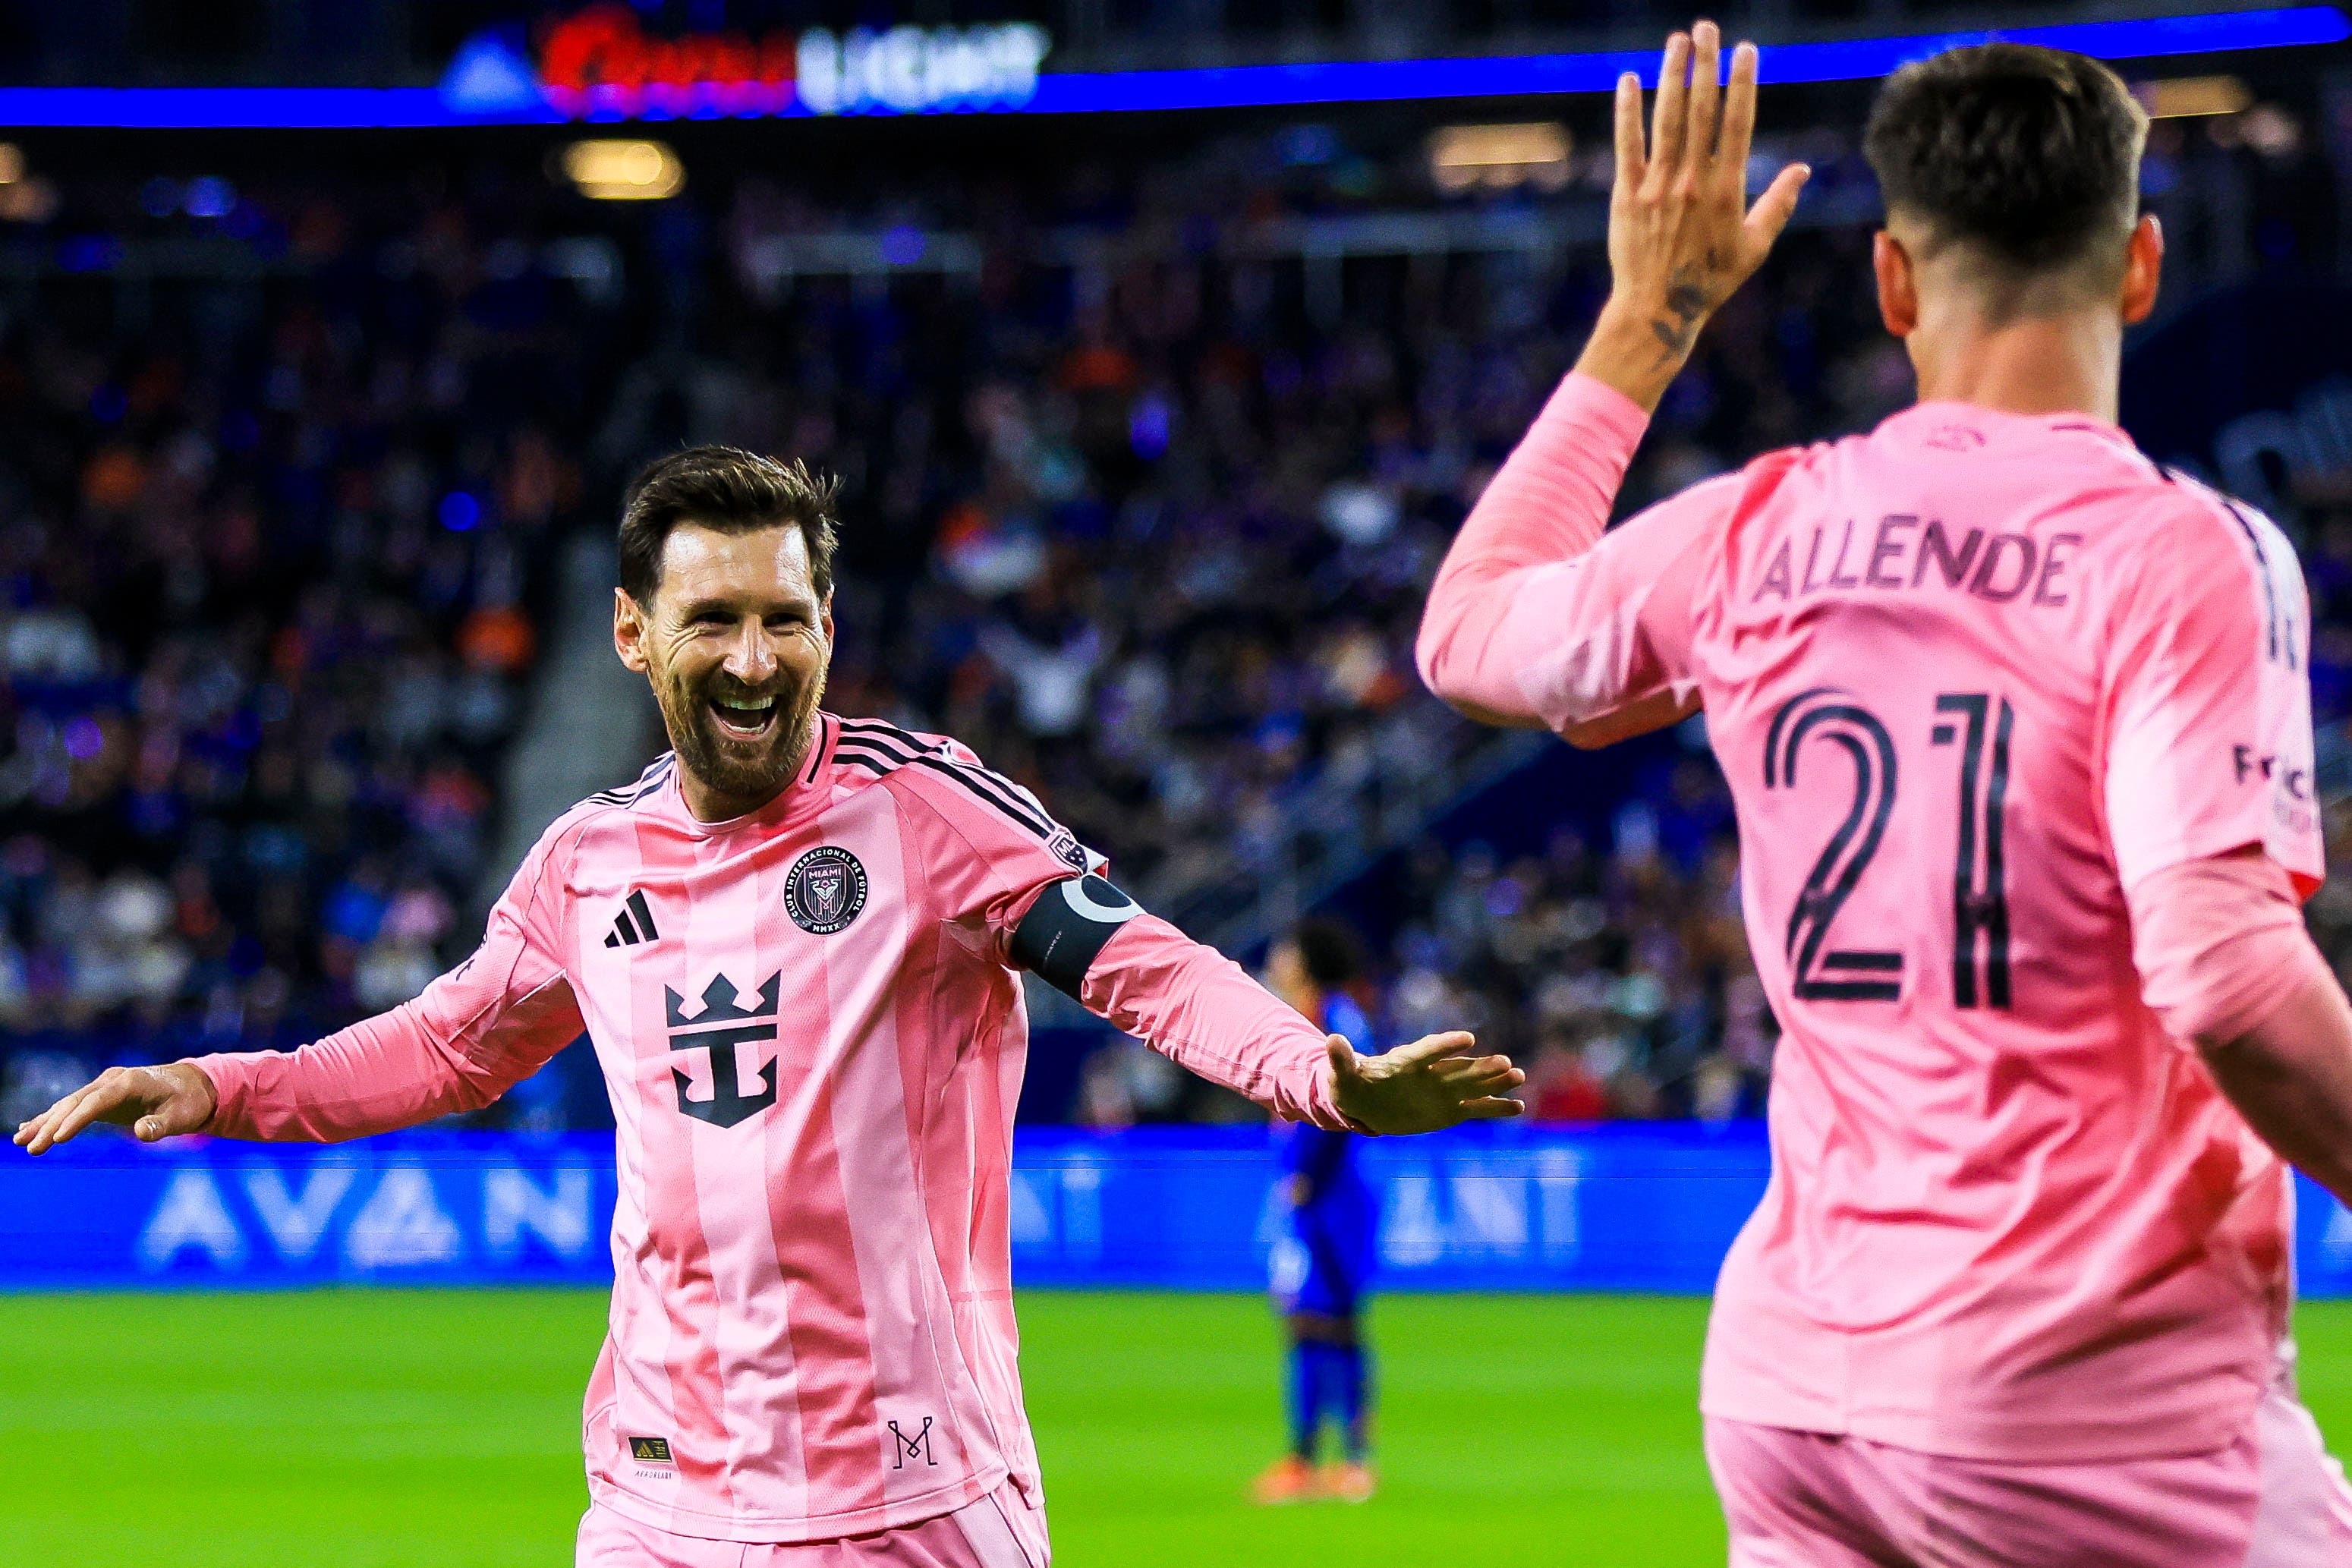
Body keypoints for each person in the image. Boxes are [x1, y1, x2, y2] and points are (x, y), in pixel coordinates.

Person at [17, 448, 1526, 1568]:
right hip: (659, 1504)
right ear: (629, 634)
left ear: (828, 624)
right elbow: (452, 1041)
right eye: (714, 619)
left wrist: (1316, 1074)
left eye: (787, 620)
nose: (755, 660)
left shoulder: (931, 817)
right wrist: (222, 1083)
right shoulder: (586, 860)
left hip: (912, 1498)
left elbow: (1142, 961)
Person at [1418, 24, 2352, 1566]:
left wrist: (1649, 320)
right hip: (2084, 1404)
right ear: (2139, 267)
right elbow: (2227, 976)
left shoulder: (1756, 528)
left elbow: (1464, 631)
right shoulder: (2181, 552)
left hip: (1795, 1403)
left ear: (1892, 284)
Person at [1252, 917, 1381, 1506]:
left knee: (1331, 1321)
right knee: (1306, 1320)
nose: (1277, 957)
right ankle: (1310, 1457)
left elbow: (1345, 1104)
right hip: (1316, 1192)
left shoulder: (1337, 1021)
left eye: (1285, 948)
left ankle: (1347, 1461)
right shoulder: (1306, 1016)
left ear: (1306, 959)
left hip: (1334, 1196)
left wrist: (1307, 1175)